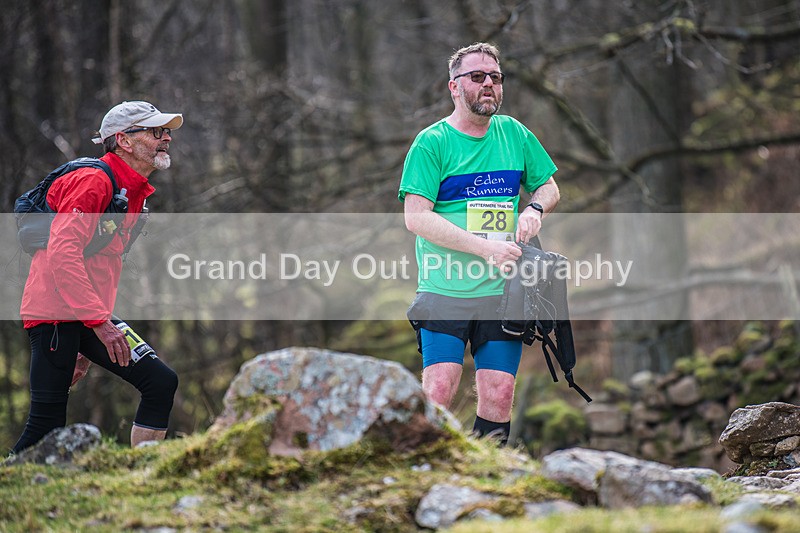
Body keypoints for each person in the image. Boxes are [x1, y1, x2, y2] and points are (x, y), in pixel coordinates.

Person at [398, 43, 560, 445]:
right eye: (477, 77)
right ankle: (424, 473)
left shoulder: (515, 134)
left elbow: (549, 185)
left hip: (503, 292)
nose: (488, 84)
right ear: (454, 87)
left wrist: (534, 208)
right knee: (439, 391)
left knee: (499, 394)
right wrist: (484, 248)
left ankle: (491, 481)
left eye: (495, 77)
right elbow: (416, 217)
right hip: (445, 288)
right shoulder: (431, 143)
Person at [11, 101, 183, 454]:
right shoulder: (93, 180)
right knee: (45, 426)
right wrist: (99, 324)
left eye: (166, 131)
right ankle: (17, 487)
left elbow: (105, 267)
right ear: (124, 140)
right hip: (55, 312)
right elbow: (63, 253)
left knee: (160, 381)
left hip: (88, 313)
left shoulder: (133, 192)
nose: (166, 138)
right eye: (155, 131)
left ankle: (144, 475)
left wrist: (91, 337)